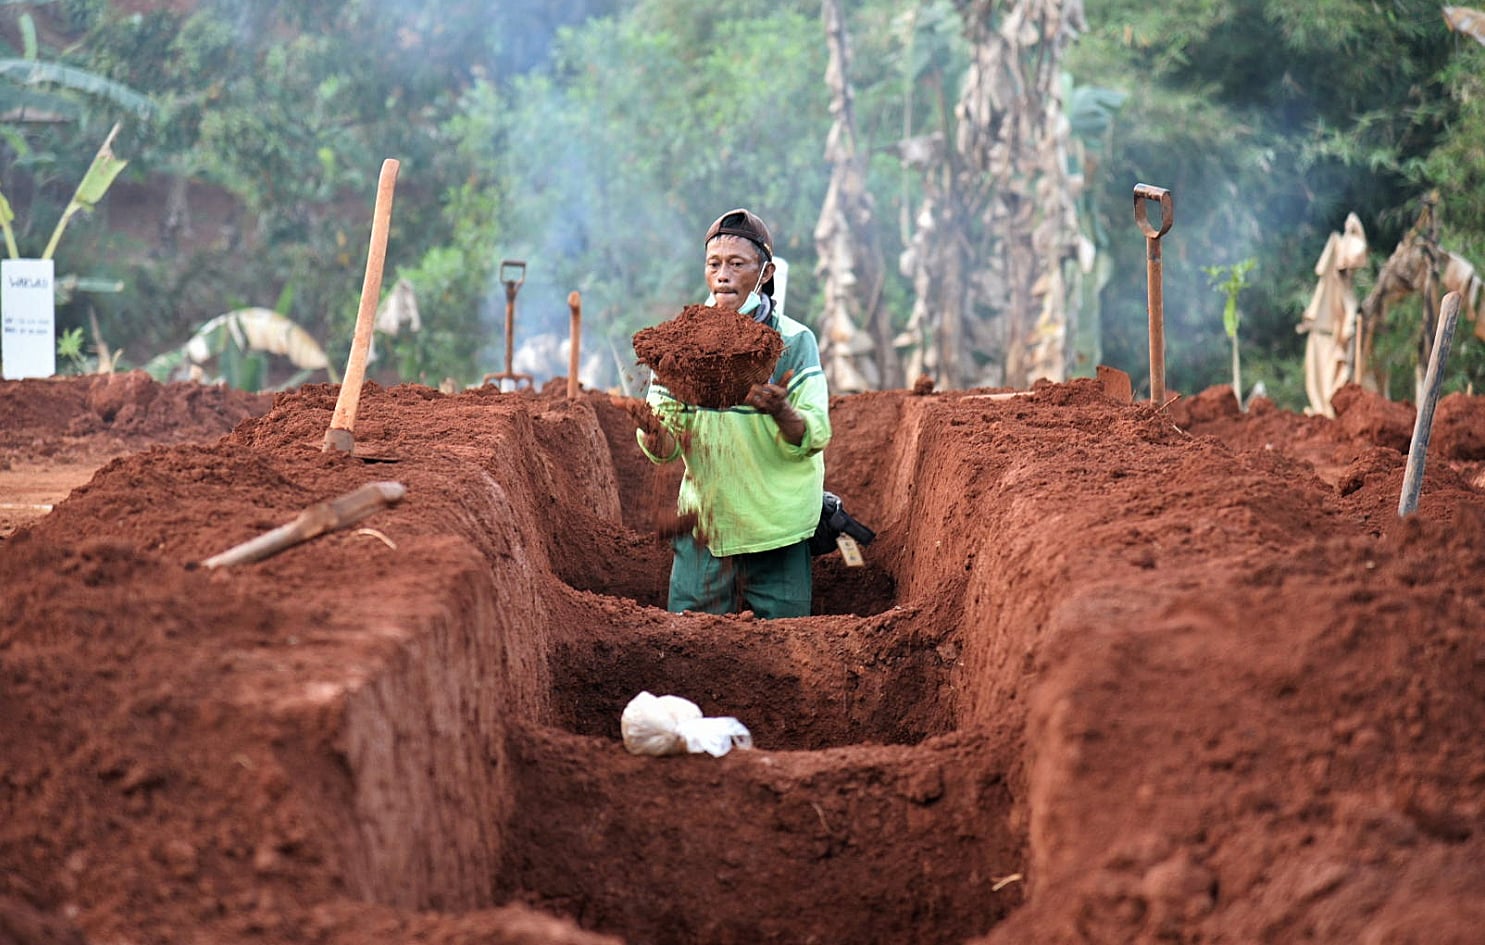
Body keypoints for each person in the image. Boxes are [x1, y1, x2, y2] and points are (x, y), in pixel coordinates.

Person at [637, 208, 831, 618]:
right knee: (687, 646)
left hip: (777, 524)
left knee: (789, 650)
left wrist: (782, 412)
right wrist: (652, 430)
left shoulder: (793, 341)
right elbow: (668, 448)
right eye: (714, 264)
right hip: (707, 521)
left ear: (764, 272)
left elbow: (814, 433)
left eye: (737, 264)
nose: (722, 275)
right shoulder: (679, 342)